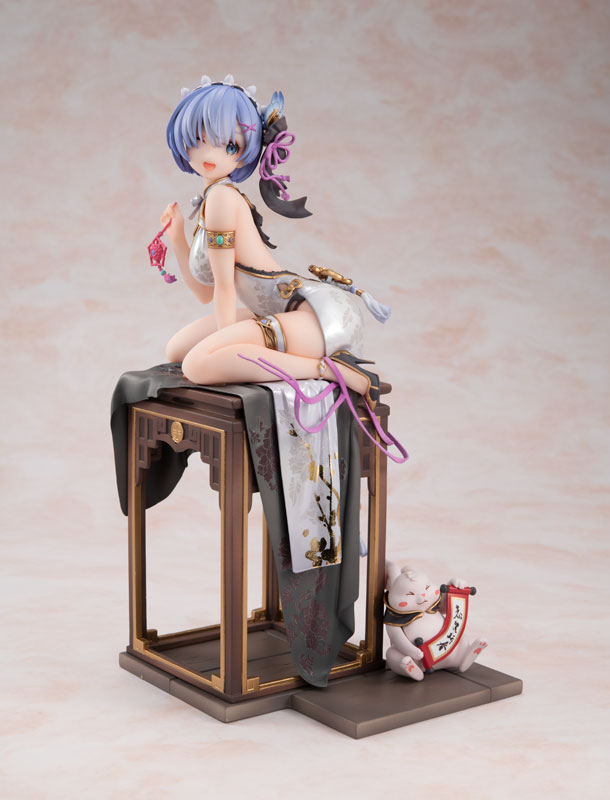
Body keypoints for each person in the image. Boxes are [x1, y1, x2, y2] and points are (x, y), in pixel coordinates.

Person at [159, 74, 385, 411]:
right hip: (275, 311)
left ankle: (332, 370)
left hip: (315, 318)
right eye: (198, 139)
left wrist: (223, 352)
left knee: (197, 364)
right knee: (177, 350)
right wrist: (177, 236)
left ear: (245, 151)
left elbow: (225, 288)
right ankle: (256, 352)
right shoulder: (212, 199)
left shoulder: (222, 198)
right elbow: (206, 293)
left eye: (229, 145)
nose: (209, 152)